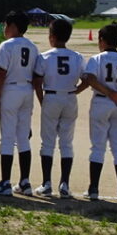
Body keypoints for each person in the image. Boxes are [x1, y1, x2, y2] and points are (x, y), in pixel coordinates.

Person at [82, 24, 117, 203]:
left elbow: (91, 79)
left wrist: (108, 93)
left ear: (102, 40)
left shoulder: (97, 59)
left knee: (98, 147)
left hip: (101, 102)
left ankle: (93, 189)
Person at [0, 10, 44, 196]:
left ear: (13, 26)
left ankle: (5, 182)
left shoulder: (7, 45)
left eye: (6, 25)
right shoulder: (33, 47)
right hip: (27, 90)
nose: (4, 29)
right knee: (23, 138)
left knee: (7, 138)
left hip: (11, 90)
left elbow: (1, 74)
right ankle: (25, 182)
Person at [34, 18, 88, 198]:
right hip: (70, 97)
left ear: (52, 36)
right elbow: (87, 79)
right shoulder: (77, 57)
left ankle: (46, 183)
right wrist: (75, 91)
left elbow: (37, 82)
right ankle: (64, 184)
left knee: (47, 142)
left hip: (51, 96)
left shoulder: (44, 57)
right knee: (66, 142)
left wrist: (42, 100)